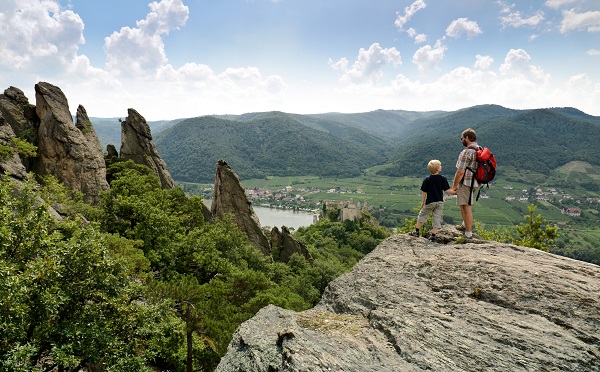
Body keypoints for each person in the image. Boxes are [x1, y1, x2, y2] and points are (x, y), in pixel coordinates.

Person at [409, 160, 456, 242]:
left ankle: (416, 231)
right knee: (437, 218)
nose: (441, 167)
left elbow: (424, 192)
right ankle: (433, 236)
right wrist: (455, 192)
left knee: (422, 215)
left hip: (430, 202)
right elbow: (447, 190)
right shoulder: (443, 178)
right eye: (440, 166)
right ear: (438, 169)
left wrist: (423, 202)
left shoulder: (427, 179)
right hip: (439, 202)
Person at [452, 128, 479, 238]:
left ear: (467, 138)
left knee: (465, 206)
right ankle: (464, 225)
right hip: (476, 182)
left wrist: (454, 186)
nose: (462, 140)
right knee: (464, 203)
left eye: (462, 138)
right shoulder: (479, 149)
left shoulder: (467, 152)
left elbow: (460, 172)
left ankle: (468, 234)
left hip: (467, 182)